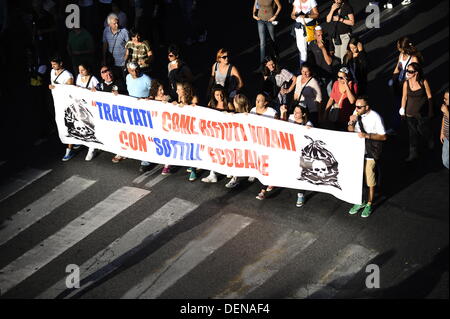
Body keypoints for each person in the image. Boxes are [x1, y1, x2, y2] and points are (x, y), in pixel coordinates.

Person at [347, 96, 387, 218]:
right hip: (358, 150)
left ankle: (369, 203)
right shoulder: (356, 113)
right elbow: (350, 131)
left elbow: (384, 136)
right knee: (358, 176)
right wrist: (351, 122)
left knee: (369, 176)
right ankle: (360, 201)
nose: (356, 109)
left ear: (367, 107)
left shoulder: (375, 117)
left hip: (371, 150)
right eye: (356, 106)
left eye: (359, 107)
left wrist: (367, 135)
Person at [92, 65, 128, 163]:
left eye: (109, 71)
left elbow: (129, 96)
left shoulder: (119, 82)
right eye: (104, 72)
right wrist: (93, 92)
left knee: (121, 132)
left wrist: (120, 93)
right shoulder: (100, 86)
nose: (108, 74)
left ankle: (122, 152)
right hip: (108, 115)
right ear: (101, 76)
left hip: (120, 114)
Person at [280, 102, 313, 207]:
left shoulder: (308, 124)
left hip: (303, 153)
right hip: (290, 149)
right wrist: (282, 113)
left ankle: (301, 194)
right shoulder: (289, 117)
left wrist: (309, 130)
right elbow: (280, 127)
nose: (295, 114)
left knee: (304, 173)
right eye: (294, 111)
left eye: (298, 113)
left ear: (303, 114)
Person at [399, 62, 434, 162]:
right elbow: (404, 97)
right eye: (407, 71)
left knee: (422, 129)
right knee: (412, 134)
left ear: (416, 73)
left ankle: (429, 138)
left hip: (422, 113)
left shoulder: (423, 82)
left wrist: (430, 111)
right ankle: (413, 153)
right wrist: (402, 110)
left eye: (410, 71)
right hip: (409, 113)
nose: (408, 73)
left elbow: (429, 97)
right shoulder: (406, 83)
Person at [202, 85, 235, 183]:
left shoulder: (228, 104)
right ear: (213, 95)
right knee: (213, 153)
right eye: (217, 95)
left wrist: (229, 114)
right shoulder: (211, 103)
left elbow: (235, 117)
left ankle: (229, 171)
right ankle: (212, 174)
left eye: (221, 94)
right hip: (214, 133)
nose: (219, 97)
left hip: (226, 134)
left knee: (226, 153)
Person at [125, 61, 153, 172]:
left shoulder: (146, 78)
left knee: (144, 135)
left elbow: (154, 92)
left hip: (144, 111)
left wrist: (148, 99)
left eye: (137, 69)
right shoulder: (127, 77)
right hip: (132, 110)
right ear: (128, 70)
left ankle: (146, 161)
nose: (135, 72)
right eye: (132, 70)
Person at [48, 56, 76, 161]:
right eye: (52, 64)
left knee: (69, 125)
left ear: (61, 63)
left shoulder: (68, 75)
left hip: (67, 104)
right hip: (57, 102)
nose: (53, 66)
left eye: (54, 64)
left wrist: (58, 87)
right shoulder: (52, 71)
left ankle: (69, 150)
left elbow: (70, 90)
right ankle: (74, 142)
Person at [251, 93, 278, 200]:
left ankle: (263, 191)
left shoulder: (271, 112)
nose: (257, 102)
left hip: (268, 143)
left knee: (267, 165)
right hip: (256, 142)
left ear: (266, 102)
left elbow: (279, 126)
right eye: (257, 99)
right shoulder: (253, 110)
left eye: (260, 100)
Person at [172, 82, 199, 181]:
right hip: (183, 127)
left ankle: (193, 170)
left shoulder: (193, 98)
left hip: (192, 128)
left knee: (192, 148)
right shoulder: (179, 98)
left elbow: (193, 109)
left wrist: (183, 105)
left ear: (185, 90)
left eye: (179, 89)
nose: (177, 91)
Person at [225, 93, 252, 189]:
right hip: (236, 141)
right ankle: (235, 178)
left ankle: (250, 173)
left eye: (234, 101)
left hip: (245, 141)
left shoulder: (249, 114)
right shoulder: (235, 113)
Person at [75, 63, 99, 161]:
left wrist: (94, 90)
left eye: (83, 70)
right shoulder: (78, 77)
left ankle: (92, 148)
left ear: (88, 69)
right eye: (79, 70)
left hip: (91, 107)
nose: (80, 72)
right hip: (81, 105)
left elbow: (99, 90)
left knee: (92, 126)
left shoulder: (93, 79)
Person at [148, 79, 172, 175]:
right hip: (156, 125)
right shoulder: (152, 99)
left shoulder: (167, 98)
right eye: (160, 90)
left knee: (167, 144)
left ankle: (167, 166)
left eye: (163, 89)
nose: (162, 92)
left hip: (166, 126)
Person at [324, 66, 357, 131]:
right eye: (338, 77)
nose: (339, 79)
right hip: (336, 115)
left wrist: (346, 85)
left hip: (347, 117)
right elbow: (331, 99)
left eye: (341, 78)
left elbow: (352, 101)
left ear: (347, 77)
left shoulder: (353, 85)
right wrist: (326, 112)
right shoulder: (336, 83)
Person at [307, 26, 335, 97]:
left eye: (322, 35)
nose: (321, 37)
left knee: (330, 94)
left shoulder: (328, 42)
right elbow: (310, 61)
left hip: (328, 73)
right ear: (315, 36)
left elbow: (329, 62)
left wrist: (323, 48)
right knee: (318, 95)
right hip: (318, 74)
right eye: (318, 35)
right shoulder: (311, 45)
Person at [291, 0, 319, 67]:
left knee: (313, 48)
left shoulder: (311, 1)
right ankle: (303, 69)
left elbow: (316, 14)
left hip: (309, 28)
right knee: (302, 50)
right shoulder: (296, 1)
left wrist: (306, 16)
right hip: (299, 28)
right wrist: (294, 16)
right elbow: (292, 14)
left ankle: (315, 67)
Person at [102, 13, 129, 78]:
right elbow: (105, 45)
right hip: (111, 61)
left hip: (122, 62)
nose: (117, 25)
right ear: (109, 24)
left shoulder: (124, 31)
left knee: (123, 79)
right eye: (114, 23)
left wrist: (126, 58)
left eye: (117, 23)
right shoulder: (106, 31)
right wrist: (104, 59)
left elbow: (128, 45)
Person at [440, 89, 449, 169]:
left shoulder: (446, 109)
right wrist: (442, 132)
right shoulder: (446, 106)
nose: (444, 100)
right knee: (445, 160)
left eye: (446, 99)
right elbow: (444, 118)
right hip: (447, 137)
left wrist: (447, 112)